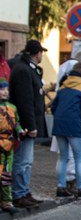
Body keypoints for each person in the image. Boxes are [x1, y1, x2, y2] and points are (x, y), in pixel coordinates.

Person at [8, 39, 46, 208]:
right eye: (41, 52)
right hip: (24, 124)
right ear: (37, 53)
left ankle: (24, 191)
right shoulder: (23, 70)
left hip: (29, 123)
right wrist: (30, 126)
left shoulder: (29, 69)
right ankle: (18, 193)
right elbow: (25, 101)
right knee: (22, 160)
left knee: (27, 160)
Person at [51, 62, 81, 199]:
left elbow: (53, 107)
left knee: (63, 157)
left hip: (59, 125)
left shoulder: (63, 87)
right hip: (74, 125)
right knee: (79, 158)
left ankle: (61, 187)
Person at [0, 81, 24, 214]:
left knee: (7, 175)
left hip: (8, 145)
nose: (5, 92)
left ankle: (6, 201)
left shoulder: (12, 107)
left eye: (7, 89)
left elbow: (17, 123)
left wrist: (20, 131)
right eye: (2, 89)